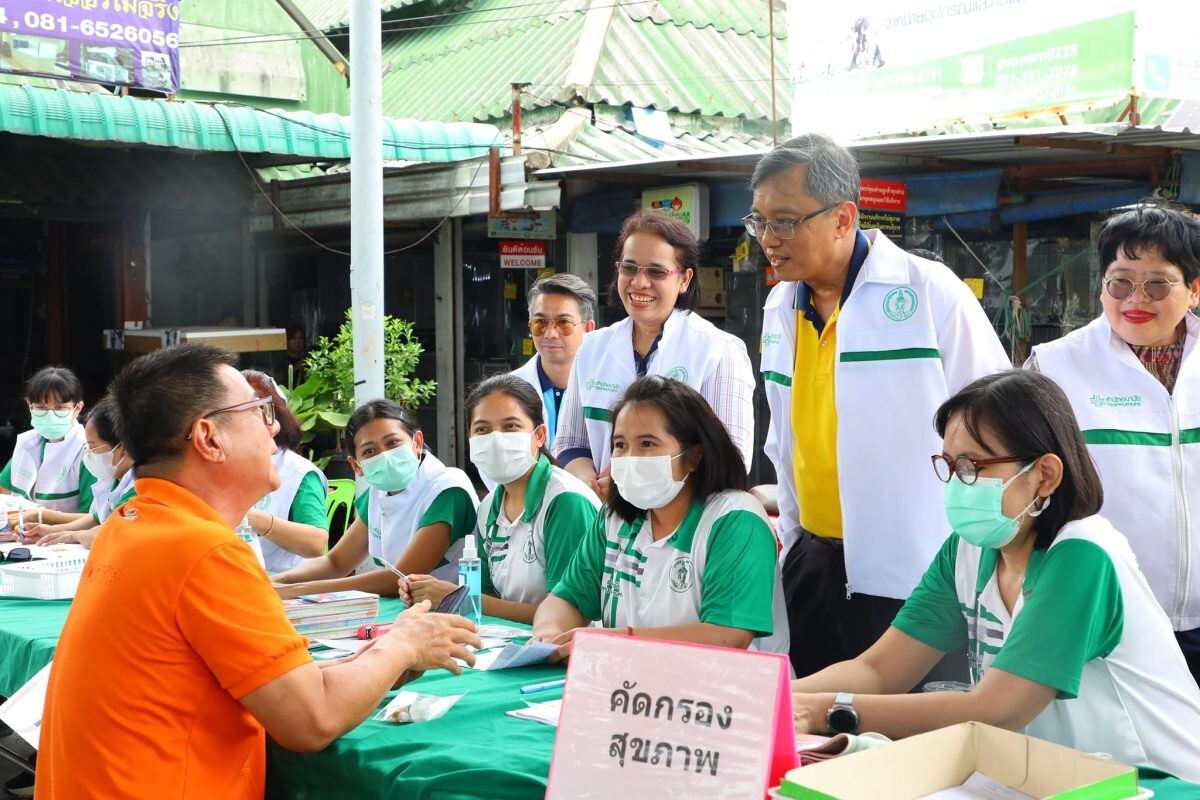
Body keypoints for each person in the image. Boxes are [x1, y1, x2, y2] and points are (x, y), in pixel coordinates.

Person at [36, 344, 480, 800]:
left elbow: (286, 685)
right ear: (210, 438)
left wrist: (387, 658)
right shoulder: (203, 550)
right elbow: (312, 719)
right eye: (259, 410)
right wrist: (403, 644)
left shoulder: (132, 525)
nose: (275, 427)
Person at [790, 370, 1200, 781]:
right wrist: (775, 696)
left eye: (972, 466)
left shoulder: (1083, 555)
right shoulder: (968, 551)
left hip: (1154, 780)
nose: (957, 483)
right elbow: (878, 671)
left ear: (1045, 475)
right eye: (948, 466)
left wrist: (824, 712)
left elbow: (994, 710)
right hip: (1058, 780)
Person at [748, 133, 1010, 678]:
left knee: (910, 737)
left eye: (786, 221)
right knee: (817, 736)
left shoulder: (927, 292)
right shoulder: (780, 305)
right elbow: (785, 439)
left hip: (917, 573)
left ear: (844, 218)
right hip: (814, 564)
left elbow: (1000, 427)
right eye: (760, 222)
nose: (768, 239)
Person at [1028, 204, 1200, 685]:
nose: (1135, 299)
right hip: (1107, 612)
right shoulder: (1055, 368)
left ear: (1194, 290)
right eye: (1120, 282)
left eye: (1158, 284)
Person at [534, 376, 788, 661]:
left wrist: (614, 642)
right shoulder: (614, 519)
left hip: (727, 696)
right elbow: (566, 599)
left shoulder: (736, 520)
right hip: (632, 690)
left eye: (647, 444)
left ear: (693, 456)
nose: (630, 458)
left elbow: (727, 637)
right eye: (620, 445)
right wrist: (548, 633)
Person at [554, 211, 756, 500]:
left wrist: (633, 480)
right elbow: (570, 443)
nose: (639, 282)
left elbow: (731, 459)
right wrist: (589, 482)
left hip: (686, 526)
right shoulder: (592, 348)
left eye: (656, 271)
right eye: (630, 268)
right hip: (604, 518)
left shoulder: (719, 352)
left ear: (685, 279)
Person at [403, 375, 600, 623]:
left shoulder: (566, 502)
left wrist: (459, 596)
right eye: (483, 429)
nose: (496, 439)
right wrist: (432, 592)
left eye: (510, 427)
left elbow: (568, 617)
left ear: (539, 435)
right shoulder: (488, 509)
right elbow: (488, 597)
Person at [272, 399, 477, 599]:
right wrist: (276, 581)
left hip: (458, 611)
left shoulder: (447, 489)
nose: (385, 455)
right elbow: (336, 562)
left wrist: (298, 590)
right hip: (407, 607)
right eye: (370, 451)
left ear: (417, 442)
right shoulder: (377, 493)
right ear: (356, 466)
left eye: (392, 443)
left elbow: (399, 577)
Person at [241, 370, 329, 573]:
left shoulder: (298, 473)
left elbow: (316, 542)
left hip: (287, 583)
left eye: (254, 408)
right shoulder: (222, 462)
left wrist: (256, 520)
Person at [20, 395, 134, 549]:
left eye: (93, 447)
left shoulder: (138, 486)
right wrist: (50, 531)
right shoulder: (112, 479)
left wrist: (71, 535)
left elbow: (108, 532)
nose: (89, 454)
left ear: (123, 448)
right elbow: (95, 519)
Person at [0, 366, 96, 524]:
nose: (50, 415)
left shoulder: (88, 450)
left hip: (66, 543)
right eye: (41, 407)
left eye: (60, 407)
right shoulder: (26, 443)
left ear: (77, 408)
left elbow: (92, 518)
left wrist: (39, 517)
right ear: (30, 406)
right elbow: (3, 491)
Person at [514, 274, 597, 439]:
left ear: (588, 329)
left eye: (563, 323)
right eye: (540, 322)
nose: (550, 334)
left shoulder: (608, 388)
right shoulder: (508, 391)